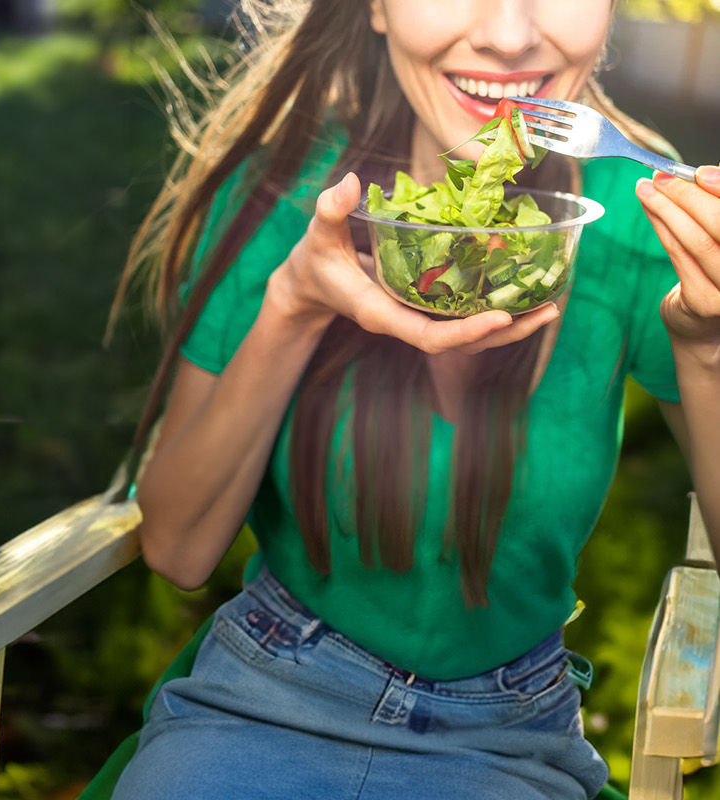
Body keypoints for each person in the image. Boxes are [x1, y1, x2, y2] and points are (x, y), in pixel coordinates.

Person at [106, 0, 720, 796]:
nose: (507, 35)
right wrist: (293, 305)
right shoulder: (281, 194)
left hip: (510, 738)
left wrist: (707, 349)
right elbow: (178, 548)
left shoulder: (645, 219)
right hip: (262, 697)